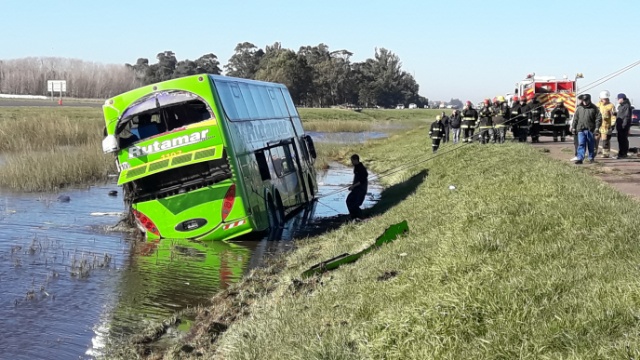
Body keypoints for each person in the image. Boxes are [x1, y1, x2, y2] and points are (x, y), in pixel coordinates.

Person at [571, 93, 602, 164]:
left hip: (590, 130)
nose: (584, 102)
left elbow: (598, 119)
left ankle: (591, 158)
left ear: (589, 100)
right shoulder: (579, 108)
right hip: (580, 129)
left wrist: (597, 127)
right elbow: (575, 119)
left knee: (591, 144)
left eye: (586, 100)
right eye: (583, 100)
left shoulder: (594, 108)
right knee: (581, 144)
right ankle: (580, 158)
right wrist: (573, 127)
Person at [346, 154, 368, 220]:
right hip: (356, 189)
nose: (351, 162)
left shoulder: (361, 168)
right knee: (349, 201)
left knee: (354, 203)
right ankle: (353, 216)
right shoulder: (356, 167)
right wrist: (352, 186)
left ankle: (359, 217)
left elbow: (362, 180)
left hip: (361, 189)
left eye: (352, 161)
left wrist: (353, 186)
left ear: (356, 160)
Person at [595, 90, 616, 158]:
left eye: (605, 99)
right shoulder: (597, 105)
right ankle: (593, 153)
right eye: (603, 99)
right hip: (598, 126)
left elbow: (613, 116)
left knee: (605, 141)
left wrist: (612, 125)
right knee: (595, 140)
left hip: (606, 126)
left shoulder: (611, 106)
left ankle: (606, 154)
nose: (604, 100)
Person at [615, 93, 632, 159]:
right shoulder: (621, 106)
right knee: (620, 139)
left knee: (623, 140)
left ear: (622, 98)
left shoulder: (626, 106)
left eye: (618, 99)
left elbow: (626, 116)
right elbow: (621, 115)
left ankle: (623, 153)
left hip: (623, 126)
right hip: (619, 124)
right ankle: (621, 153)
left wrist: (624, 125)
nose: (618, 100)